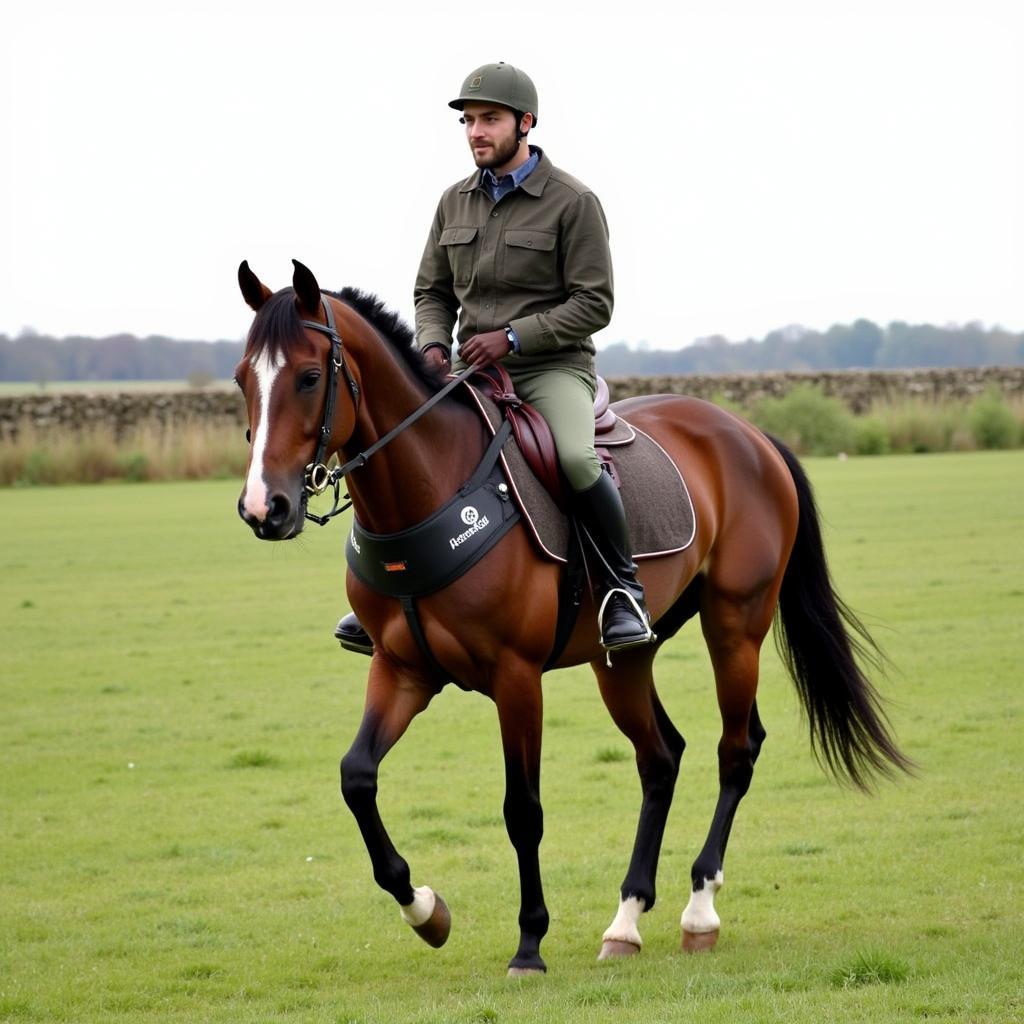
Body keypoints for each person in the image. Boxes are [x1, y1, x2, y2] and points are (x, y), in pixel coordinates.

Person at [335, 61, 653, 657]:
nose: (476, 131)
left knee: (578, 459)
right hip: (469, 370)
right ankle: (379, 594)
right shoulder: (452, 203)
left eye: (489, 120)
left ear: (525, 123)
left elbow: (595, 303)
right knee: (401, 448)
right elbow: (431, 292)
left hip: (551, 368)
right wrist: (431, 343)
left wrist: (512, 338)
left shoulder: (573, 202)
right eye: (469, 121)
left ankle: (622, 591)